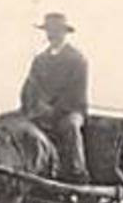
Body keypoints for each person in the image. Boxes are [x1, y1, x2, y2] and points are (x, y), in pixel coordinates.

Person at [20, 12, 89, 181]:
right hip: (40, 110)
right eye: (49, 30)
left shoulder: (77, 60)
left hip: (69, 110)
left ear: (64, 33)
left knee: (71, 127)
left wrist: (52, 109)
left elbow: (76, 94)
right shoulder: (40, 59)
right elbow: (29, 87)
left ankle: (77, 170)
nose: (52, 35)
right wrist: (31, 106)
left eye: (56, 31)